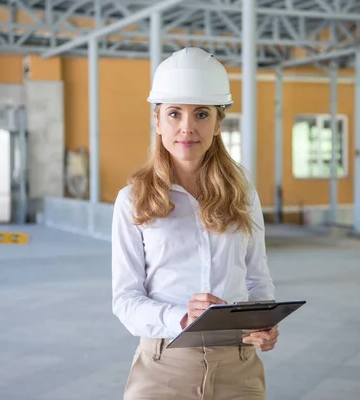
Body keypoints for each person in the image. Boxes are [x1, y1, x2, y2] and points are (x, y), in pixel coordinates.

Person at [111, 47, 277, 400]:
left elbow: (257, 279)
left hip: (238, 370)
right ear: (158, 121)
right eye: (174, 114)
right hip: (163, 369)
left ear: (218, 124)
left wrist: (264, 321)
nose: (187, 128)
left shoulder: (243, 194)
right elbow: (125, 300)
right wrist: (181, 318)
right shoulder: (132, 200)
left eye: (201, 114)